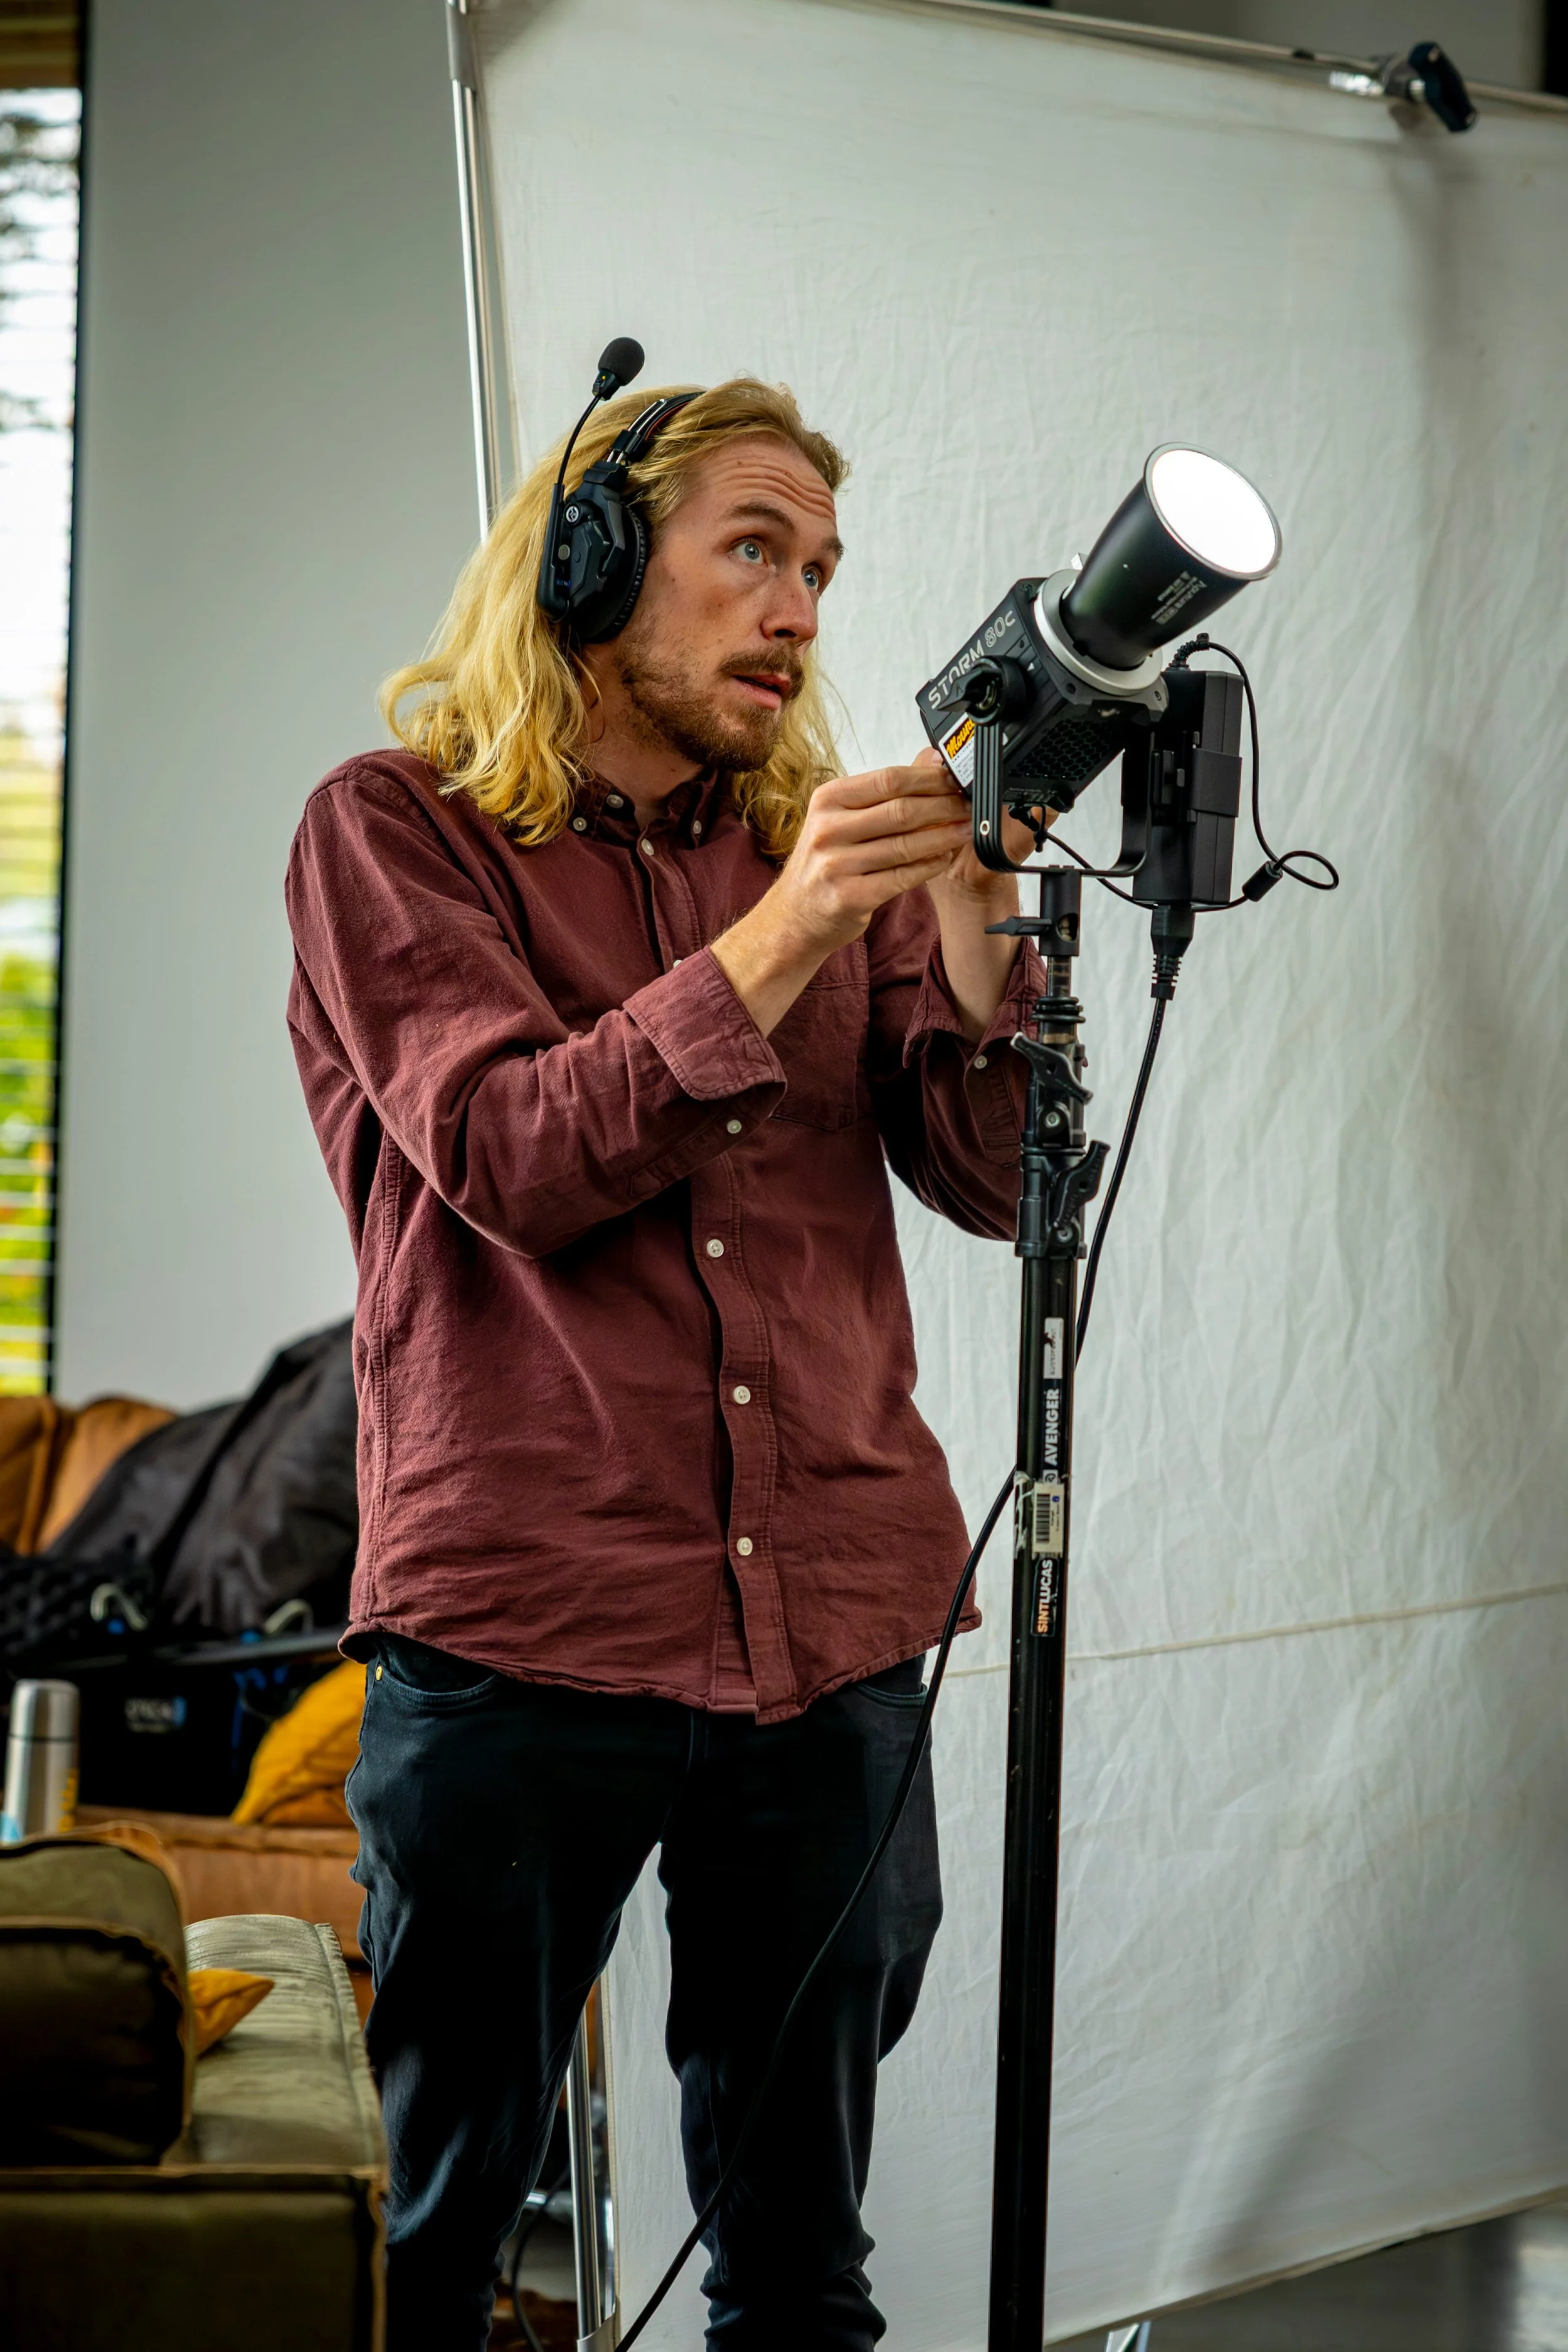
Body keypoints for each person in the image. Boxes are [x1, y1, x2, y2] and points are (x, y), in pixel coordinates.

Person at [285, 374, 1044, 2351]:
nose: (799, 611)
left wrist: (970, 934)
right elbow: (514, 1157)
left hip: (838, 1623)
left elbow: (985, 1180)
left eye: (818, 568)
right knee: (432, 2248)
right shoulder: (394, 831)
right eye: (753, 552)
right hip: (528, 1616)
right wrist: (791, 931)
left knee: (800, 2268)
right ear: (596, 562)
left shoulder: (821, 854)